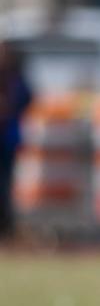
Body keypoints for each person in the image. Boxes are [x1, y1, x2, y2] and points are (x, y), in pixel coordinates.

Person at [0, 42, 32, 240]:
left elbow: (26, 98)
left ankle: (6, 225)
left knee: (6, 183)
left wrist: (9, 107)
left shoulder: (16, 77)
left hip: (7, 139)